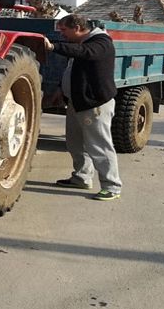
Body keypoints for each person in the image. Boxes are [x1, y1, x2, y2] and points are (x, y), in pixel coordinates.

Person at [43, 14, 122, 201]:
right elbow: (74, 68)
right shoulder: (82, 43)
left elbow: (86, 53)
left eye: (64, 31)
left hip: (94, 104)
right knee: (75, 143)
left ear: (77, 27)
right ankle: (82, 177)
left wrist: (53, 47)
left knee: (99, 145)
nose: (62, 35)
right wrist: (61, 91)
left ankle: (112, 186)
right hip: (77, 102)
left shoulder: (101, 42)